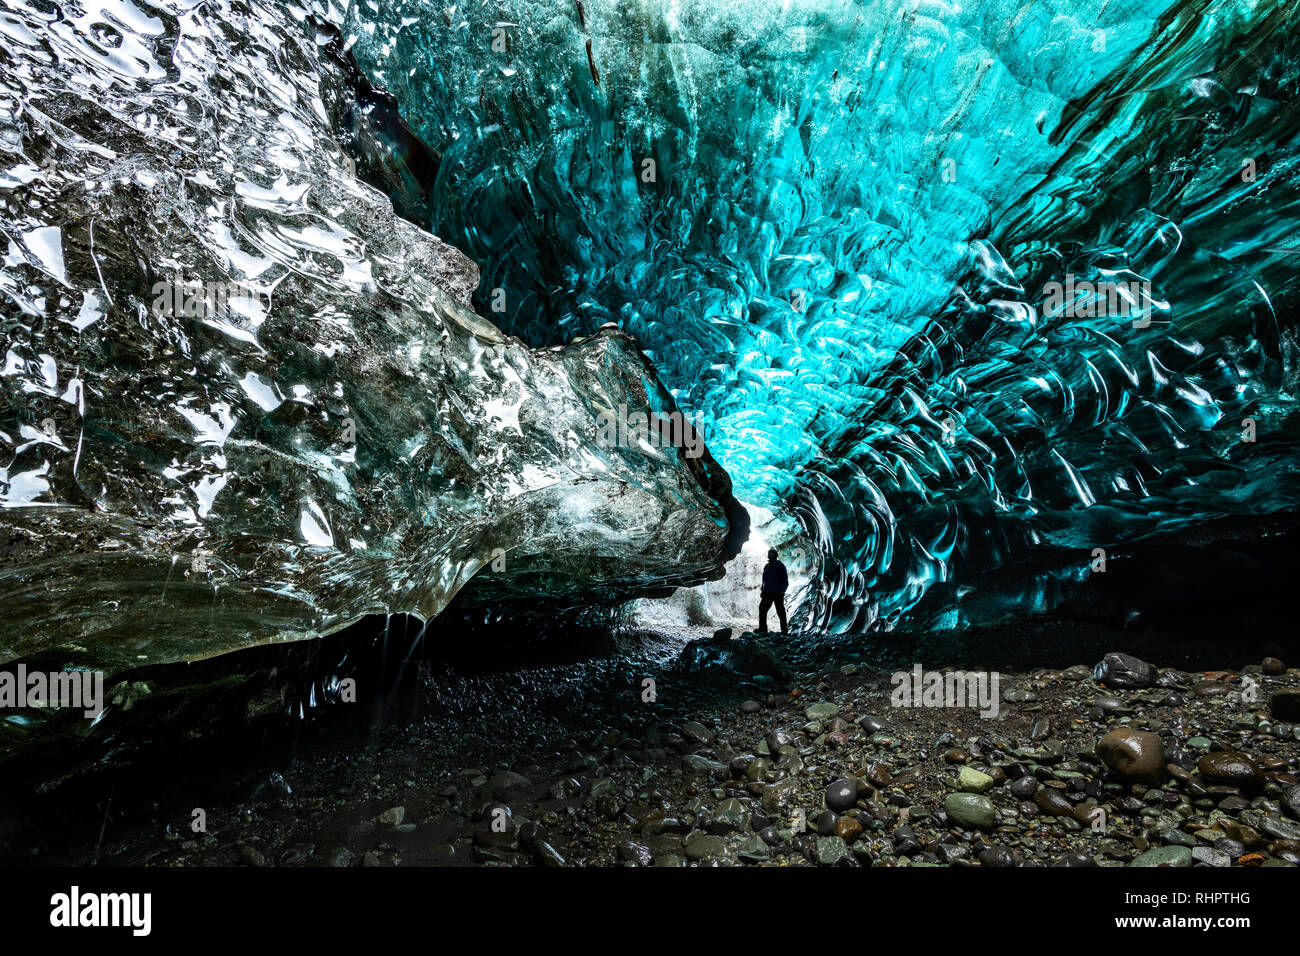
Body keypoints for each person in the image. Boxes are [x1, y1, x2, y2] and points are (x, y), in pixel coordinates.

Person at [758, 548, 788, 635]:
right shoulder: (767, 566)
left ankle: (784, 630)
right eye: (768, 553)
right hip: (767, 592)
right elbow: (764, 580)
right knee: (762, 609)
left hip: (777, 592)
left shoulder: (780, 565)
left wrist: (782, 590)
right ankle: (762, 629)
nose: (769, 555)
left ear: (775, 555)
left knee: (780, 611)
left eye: (771, 553)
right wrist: (762, 590)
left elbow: (784, 579)